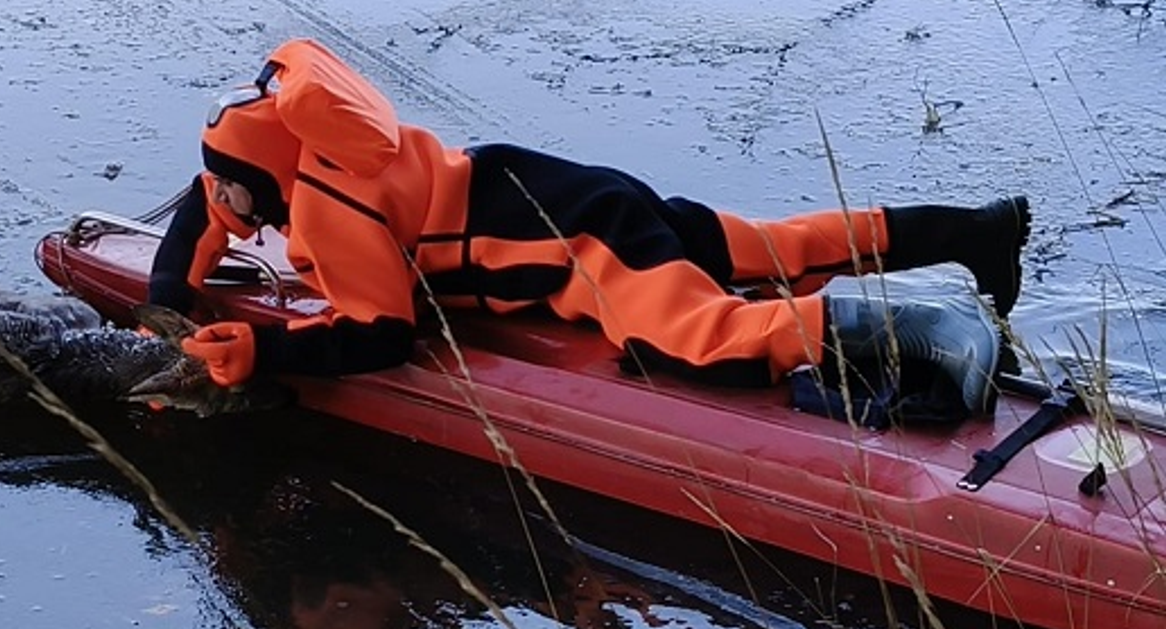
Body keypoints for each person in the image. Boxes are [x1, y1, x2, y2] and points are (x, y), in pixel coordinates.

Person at [147, 38, 1030, 417]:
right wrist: (165, 294)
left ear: (267, 179)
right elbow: (203, 199)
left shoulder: (334, 210)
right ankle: (973, 233)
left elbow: (380, 335)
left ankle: (931, 328)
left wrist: (265, 354)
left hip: (575, 245)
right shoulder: (325, 135)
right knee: (768, 248)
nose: (225, 214)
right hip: (565, 187)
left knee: (706, 337)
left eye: (236, 199)